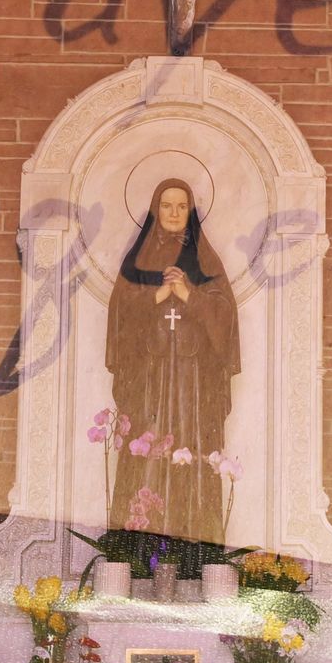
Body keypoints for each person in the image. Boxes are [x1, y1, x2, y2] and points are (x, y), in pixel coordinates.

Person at [105, 178, 240, 543]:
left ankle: (195, 543)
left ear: (191, 212)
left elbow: (225, 318)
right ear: (155, 209)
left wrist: (188, 295)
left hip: (194, 383)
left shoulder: (206, 260)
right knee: (147, 451)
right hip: (149, 379)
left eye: (182, 206)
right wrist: (157, 295)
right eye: (167, 205)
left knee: (190, 451)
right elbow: (119, 316)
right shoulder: (138, 260)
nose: (175, 213)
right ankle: (139, 544)